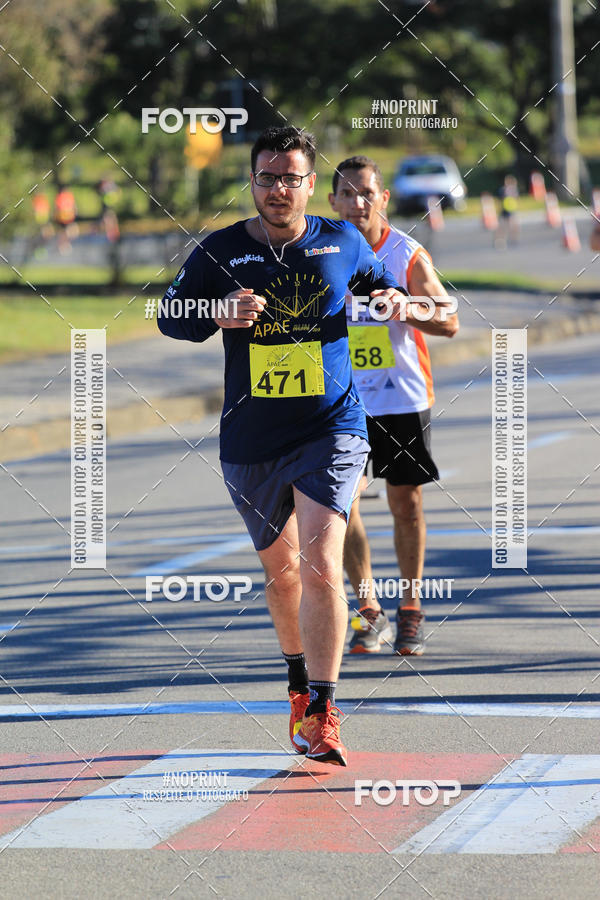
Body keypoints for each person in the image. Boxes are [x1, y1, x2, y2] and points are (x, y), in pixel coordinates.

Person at [158, 127, 406, 766]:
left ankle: (323, 710)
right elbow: (169, 315)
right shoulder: (221, 249)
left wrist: (391, 297)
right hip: (253, 438)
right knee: (283, 573)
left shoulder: (341, 239)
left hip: (332, 428)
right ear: (253, 181)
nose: (277, 189)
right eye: (266, 177)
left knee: (321, 563)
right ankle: (298, 684)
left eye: (290, 178)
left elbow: (385, 283)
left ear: (309, 184)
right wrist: (217, 312)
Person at [328, 155, 459, 655]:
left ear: (383, 198)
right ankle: (369, 612)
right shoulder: (323, 253)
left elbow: (449, 320)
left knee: (405, 504)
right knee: (342, 506)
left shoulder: (406, 254)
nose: (357, 202)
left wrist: (407, 307)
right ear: (332, 201)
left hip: (401, 397)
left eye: (366, 193)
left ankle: (410, 610)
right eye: (347, 193)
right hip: (343, 401)